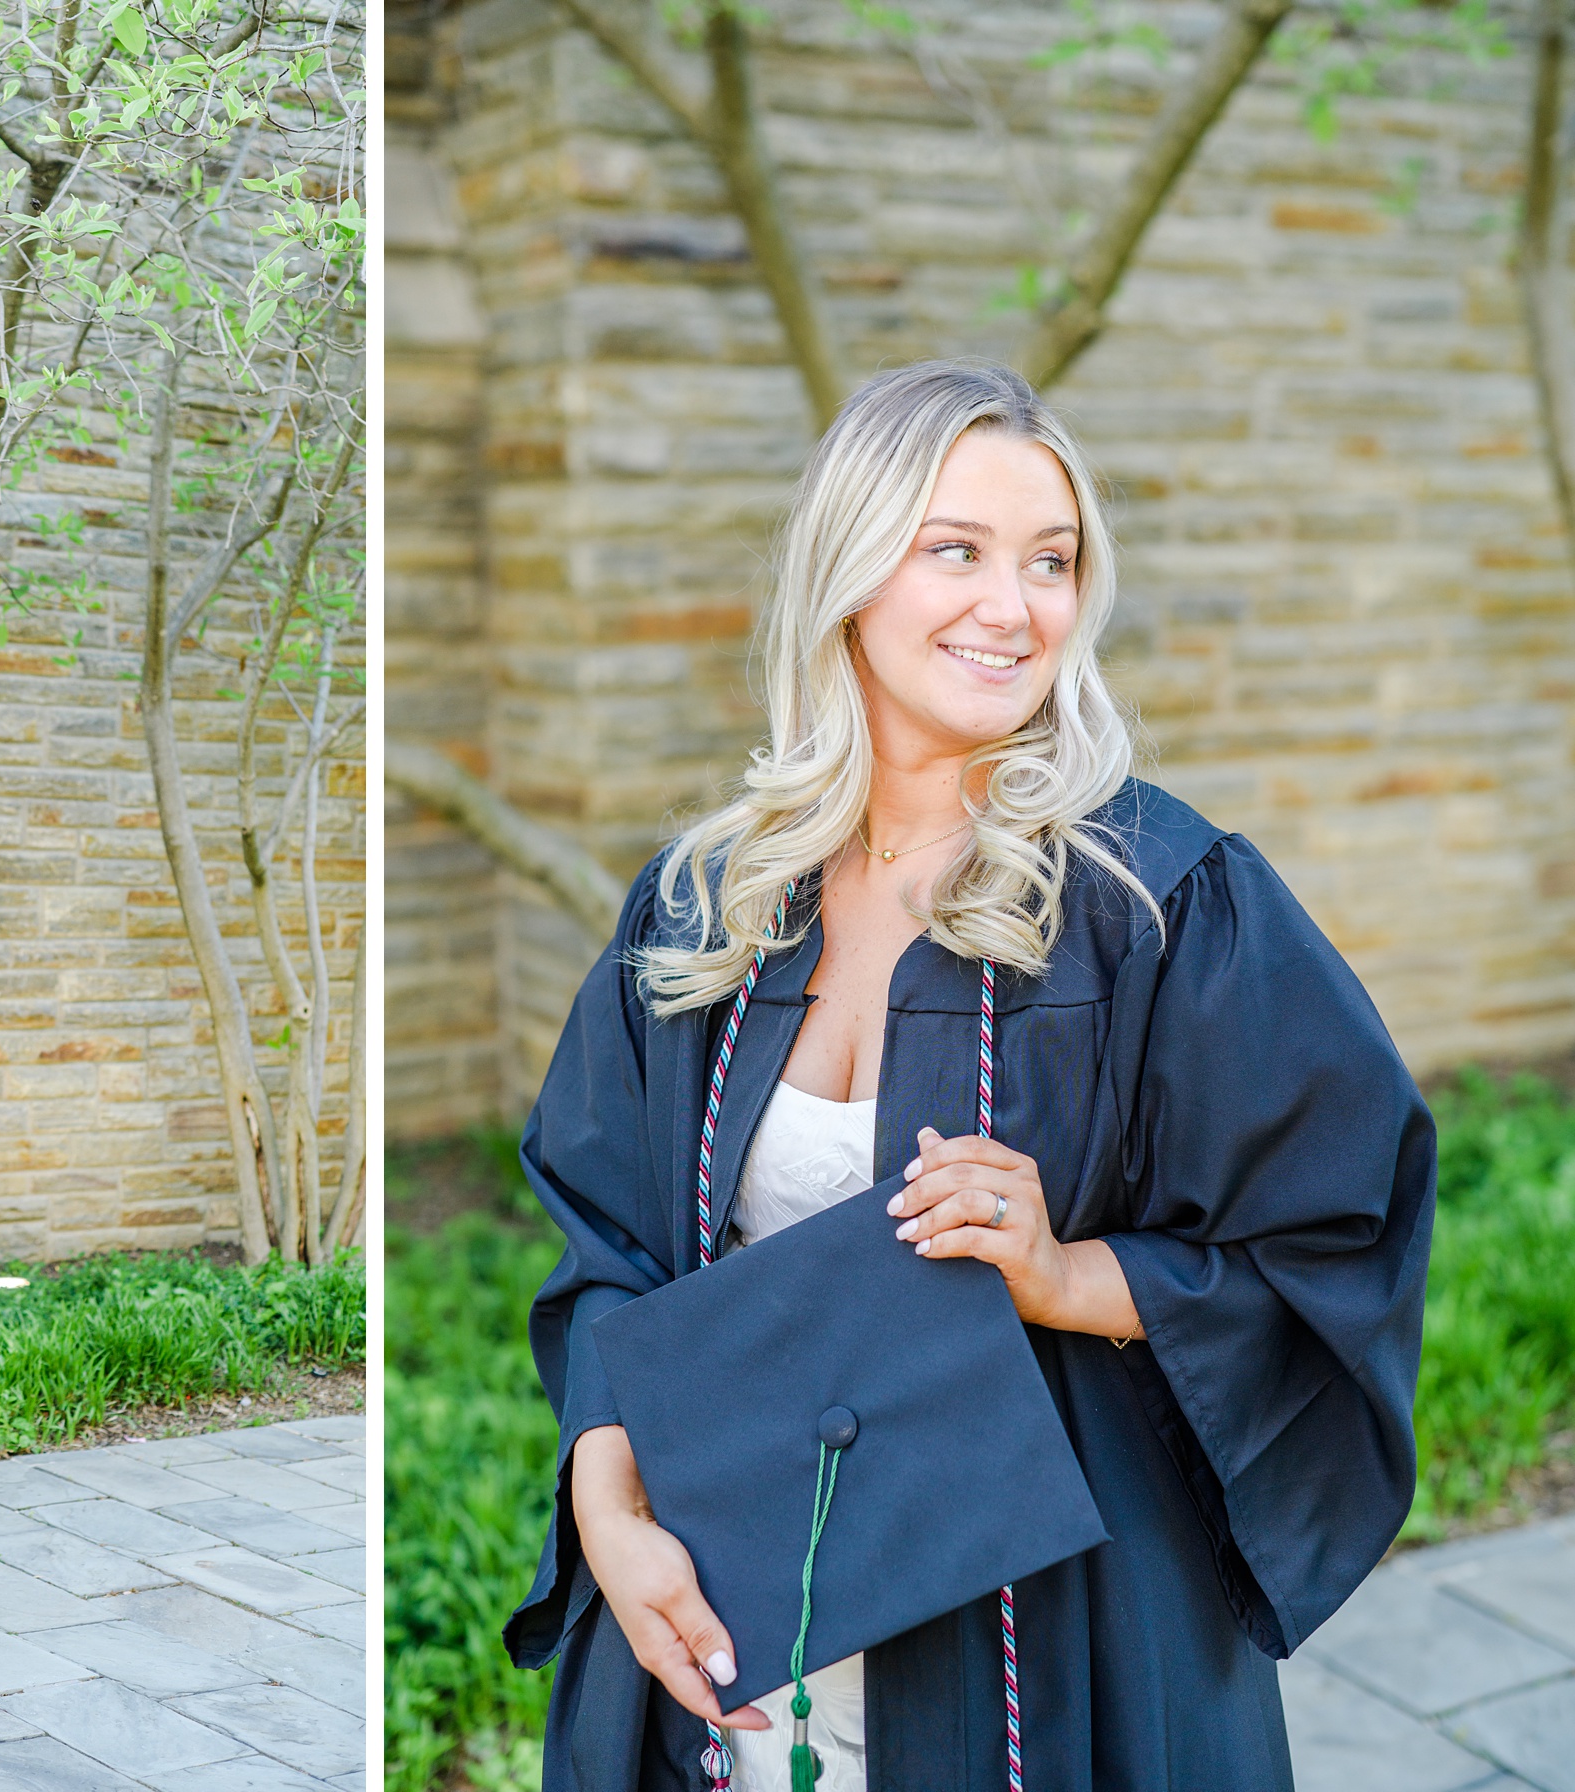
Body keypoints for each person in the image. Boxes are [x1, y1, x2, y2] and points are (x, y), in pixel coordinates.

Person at [505, 361, 1435, 1791]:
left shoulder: (1158, 904)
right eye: (957, 551)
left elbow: (1337, 1236)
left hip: (1053, 1650)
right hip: (739, 1627)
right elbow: (607, 1253)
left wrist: (1065, 1275)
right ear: (851, 570)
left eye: (1050, 562)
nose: (1015, 608)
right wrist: (606, 1495)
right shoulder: (710, 904)